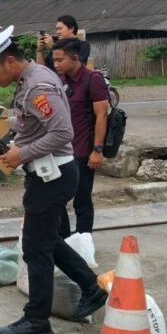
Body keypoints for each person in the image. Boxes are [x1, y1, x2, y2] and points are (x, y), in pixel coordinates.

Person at [0, 27, 106, 334]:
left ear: (11, 61)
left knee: (35, 248)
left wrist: (22, 153)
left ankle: (37, 321)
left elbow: (62, 133)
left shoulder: (38, 86)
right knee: (46, 241)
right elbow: (39, 123)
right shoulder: (32, 80)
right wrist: (17, 132)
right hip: (49, 173)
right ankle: (90, 287)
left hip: (52, 175)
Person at [50, 38, 109, 237]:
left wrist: (97, 150)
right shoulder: (61, 80)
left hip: (83, 151)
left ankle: (84, 241)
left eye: (60, 60)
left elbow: (101, 115)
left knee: (81, 200)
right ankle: (65, 241)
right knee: (58, 199)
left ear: (75, 58)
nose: (56, 64)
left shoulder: (93, 79)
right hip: (61, 150)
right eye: (54, 60)